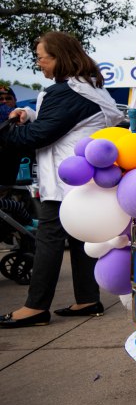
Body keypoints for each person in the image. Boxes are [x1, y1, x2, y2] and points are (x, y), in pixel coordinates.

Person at [0, 32, 124, 328]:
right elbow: (65, 125)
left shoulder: (66, 92)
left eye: (41, 58)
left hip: (63, 180)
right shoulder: (90, 88)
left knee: (48, 240)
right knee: (80, 237)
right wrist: (30, 114)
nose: (39, 63)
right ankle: (88, 299)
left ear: (60, 58)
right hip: (84, 178)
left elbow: (39, 135)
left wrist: (7, 131)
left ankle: (36, 307)